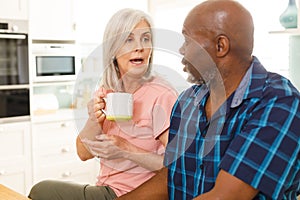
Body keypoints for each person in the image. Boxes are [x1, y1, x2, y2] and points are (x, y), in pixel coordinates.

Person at [117, 0, 300, 199]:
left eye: (187, 41)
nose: (181, 50)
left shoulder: (279, 102)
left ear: (220, 46)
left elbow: (225, 197)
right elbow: (170, 178)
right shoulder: (187, 101)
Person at [28, 8, 178, 200]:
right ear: (113, 49)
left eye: (146, 39)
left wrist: (126, 149)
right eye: (129, 39)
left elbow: (177, 165)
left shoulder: (161, 95)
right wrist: (94, 119)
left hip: (132, 194)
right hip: (104, 188)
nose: (139, 47)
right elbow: (83, 153)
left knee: (41, 191)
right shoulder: (107, 91)